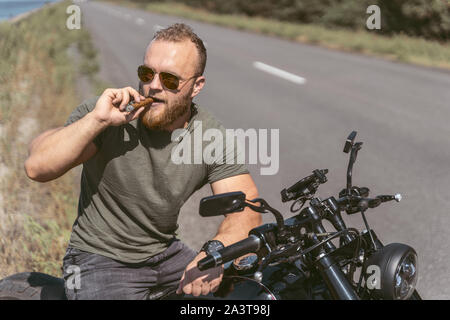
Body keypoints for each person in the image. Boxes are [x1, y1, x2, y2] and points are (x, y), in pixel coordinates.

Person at [24, 23, 261, 299]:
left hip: (165, 253)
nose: (153, 86)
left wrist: (215, 252)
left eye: (170, 80)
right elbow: (36, 167)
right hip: (99, 260)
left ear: (196, 86)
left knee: (249, 289)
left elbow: (248, 207)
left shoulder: (209, 135)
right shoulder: (109, 116)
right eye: (147, 73)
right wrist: (97, 121)